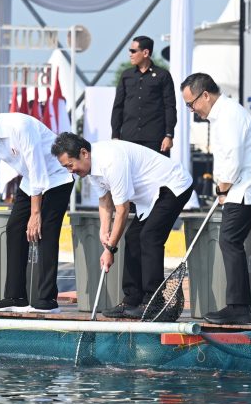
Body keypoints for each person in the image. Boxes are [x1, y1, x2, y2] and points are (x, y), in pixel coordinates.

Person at [51, 132, 193, 319]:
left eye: (70, 165)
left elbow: (123, 210)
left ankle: (154, 301)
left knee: (149, 237)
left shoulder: (110, 161)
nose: (71, 171)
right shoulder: (91, 167)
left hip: (174, 185)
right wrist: (104, 231)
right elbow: (104, 200)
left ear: (84, 153)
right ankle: (132, 299)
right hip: (151, 194)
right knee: (133, 237)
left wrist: (110, 249)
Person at [179, 72, 251, 325]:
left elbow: (232, 157)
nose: (191, 109)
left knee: (230, 241)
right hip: (238, 188)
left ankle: (239, 307)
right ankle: (239, 305)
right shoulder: (222, 115)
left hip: (244, 188)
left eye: (191, 103)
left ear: (206, 95)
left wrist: (222, 189)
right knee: (231, 241)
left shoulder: (229, 114)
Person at [0, 106, 74, 313]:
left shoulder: (20, 126)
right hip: (31, 180)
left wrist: (35, 214)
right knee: (14, 228)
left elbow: (37, 167)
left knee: (45, 232)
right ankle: (15, 296)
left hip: (57, 177)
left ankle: (47, 299)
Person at [111, 35, 177, 155]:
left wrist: (169, 135)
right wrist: (115, 135)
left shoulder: (163, 75)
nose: (130, 54)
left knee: (157, 173)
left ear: (145, 52)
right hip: (129, 138)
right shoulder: (126, 75)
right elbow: (118, 107)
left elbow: (170, 107)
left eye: (133, 51)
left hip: (155, 139)